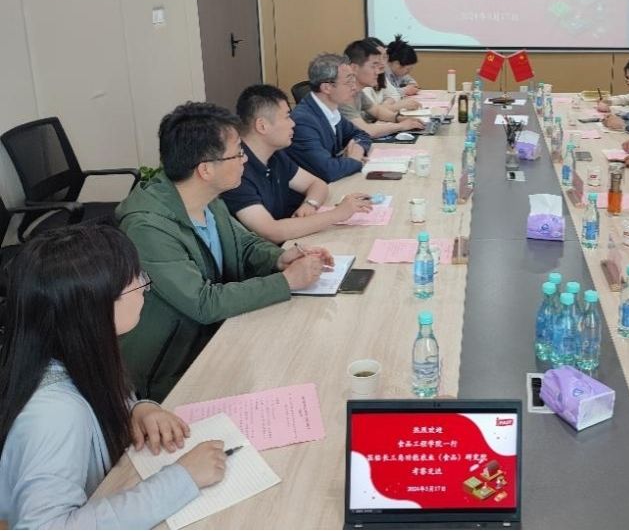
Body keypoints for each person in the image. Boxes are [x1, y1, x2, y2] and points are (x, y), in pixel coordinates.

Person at [0, 225, 228, 528]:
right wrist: (181, 479)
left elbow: (107, 397)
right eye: (135, 281)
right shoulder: (53, 414)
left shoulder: (75, 353)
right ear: (94, 308)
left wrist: (138, 409)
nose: (144, 286)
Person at [117, 102, 332, 400]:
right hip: (170, 369)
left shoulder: (208, 199)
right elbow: (203, 302)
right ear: (205, 169)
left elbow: (244, 245)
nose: (245, 160)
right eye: (238, 153)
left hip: (217, 337)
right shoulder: (147, 227)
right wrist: (286, 281)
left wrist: (281, 258)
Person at [223, 84, 373, 245]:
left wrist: (310, 204)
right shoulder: (236, 170)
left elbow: (317, 184)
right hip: (272, 254)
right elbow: (271, 232)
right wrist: (338, 214)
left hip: (293, 242)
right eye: (287, 117)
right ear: (262, 126)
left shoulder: (275, 155)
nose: (293, 123)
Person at [289, 52, 374, 183]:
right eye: (349, 82)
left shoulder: (331, 110)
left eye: (354, 80)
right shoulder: (303, 122)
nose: (354, 87)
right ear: (327, 88)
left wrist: (358, 149)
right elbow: (328, 170)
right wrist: (354, 160)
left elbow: (362, 134)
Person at [342, 39, 426, 138]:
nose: (378, 71)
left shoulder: (357, 91)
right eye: (373, 66)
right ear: (354, 68)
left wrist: (399, 118)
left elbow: (377, 111)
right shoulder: (343, 94)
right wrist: (401, 126)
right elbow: (366, 131)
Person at [364, 36, 420, 111]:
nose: (384, 62)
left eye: (385, 57)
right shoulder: (363, 83)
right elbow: (371, 112)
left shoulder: (380, 74)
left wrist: (386, 105)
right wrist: (397, 106)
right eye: (379, 58)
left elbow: (394, 94)